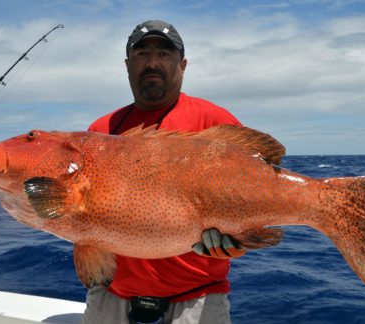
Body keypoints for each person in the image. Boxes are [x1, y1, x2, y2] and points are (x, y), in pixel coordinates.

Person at [83, 20, 246, 324]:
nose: (153, 63)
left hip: (198, 300)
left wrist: (235, 244)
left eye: (165, 54)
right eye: (142, 54)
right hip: (111, 297)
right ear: (128, 65)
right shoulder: (101, 131)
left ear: (182, 65)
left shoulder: (215, 121)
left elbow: (251, 202)